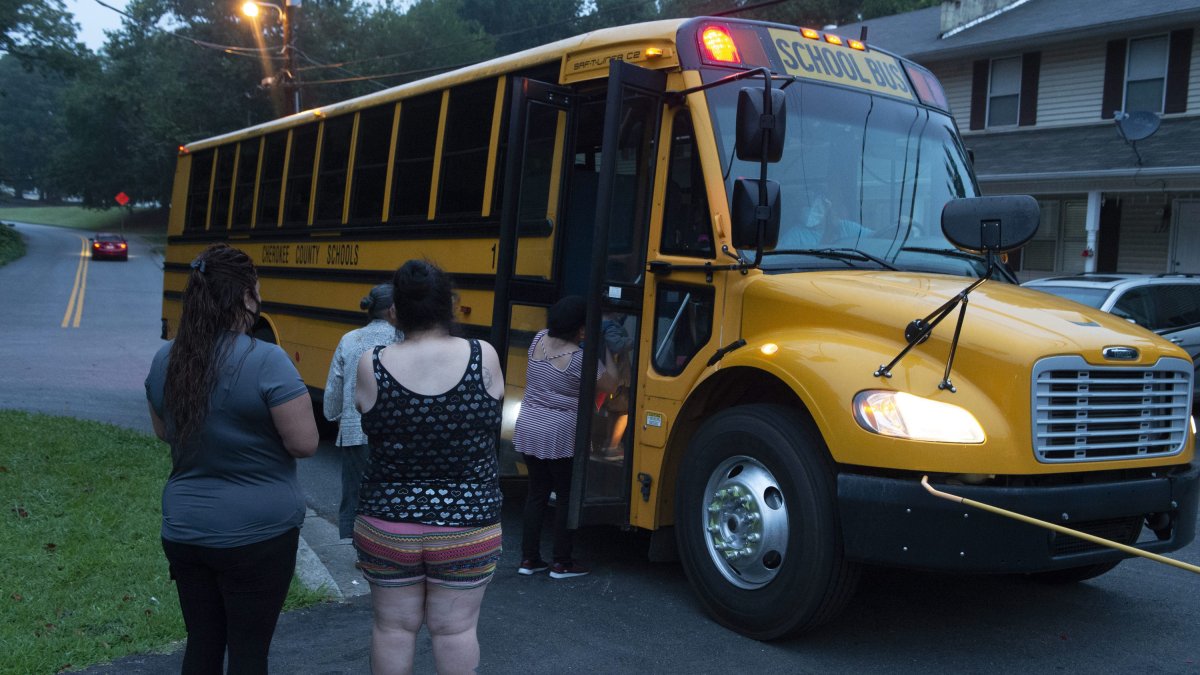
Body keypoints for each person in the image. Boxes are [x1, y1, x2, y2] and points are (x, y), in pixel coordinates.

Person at [144, 243, 319, 675]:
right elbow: (304, 443)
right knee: (248, 651)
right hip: (258, 535)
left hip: (185, 529)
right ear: (245, 297)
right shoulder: (267, 360)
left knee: (202, 643)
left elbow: (165, 431)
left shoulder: (167, 357)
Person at [352, 259, 505, 675]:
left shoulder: (373, 363)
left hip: (386, 523)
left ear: (393, 312)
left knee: (393, 628)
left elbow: (364, 413)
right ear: (449, 306)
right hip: (468, 524)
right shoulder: (483, 356)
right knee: (455, 631)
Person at [513, 295, 618, 579]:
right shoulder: (580, 359)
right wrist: (603, 348)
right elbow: (611, 384)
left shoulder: (538, 340)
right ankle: (562, 562)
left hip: (529, 425)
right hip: (559, 433)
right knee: (565, 496)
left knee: (536, 492)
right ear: (580, 328)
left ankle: (529, 559)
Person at [324, 283, 400, 541]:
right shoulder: (402, 339)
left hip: (355, 432)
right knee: (390, 492)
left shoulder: (349, 340)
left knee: (358, 492)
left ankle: (360, 545)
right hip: (395, 433)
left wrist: (340, 417)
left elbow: (332, 399)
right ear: (393, 309)